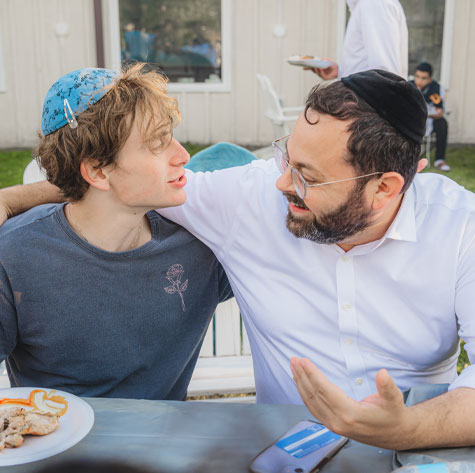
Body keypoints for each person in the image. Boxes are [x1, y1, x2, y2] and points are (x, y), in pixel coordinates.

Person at [1, 70, 475, 450]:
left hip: (424, 446)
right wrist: (11, 198)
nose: (282, 184)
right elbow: (115, 185)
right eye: (285, 159)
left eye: (307, 176)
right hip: (284, 449)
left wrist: (407, 429)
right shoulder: (250, 200)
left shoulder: (460, 229)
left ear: (385, 188)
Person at [0, 64, 232, 400]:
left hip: (169, 434)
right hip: (55, 433)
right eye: (158, 142)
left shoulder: (201, 245)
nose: (183, 155)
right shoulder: (15, 256)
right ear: (97, 171)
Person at [311, 0, 408, 80]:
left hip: (366, 98)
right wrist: (340, 71)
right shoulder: (367, 5)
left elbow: (385, 75)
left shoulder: (374, 3)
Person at [411, 61, 450, 172]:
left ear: (430, 79)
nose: (419, 81)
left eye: (424, 78)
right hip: (413, 120)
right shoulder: (409, 85)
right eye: (417, 76)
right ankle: (408, 159)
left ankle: (439, 160)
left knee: (442, 123)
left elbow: (440, 111)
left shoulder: (436, 88)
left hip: (430, 119)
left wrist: (432, 113)